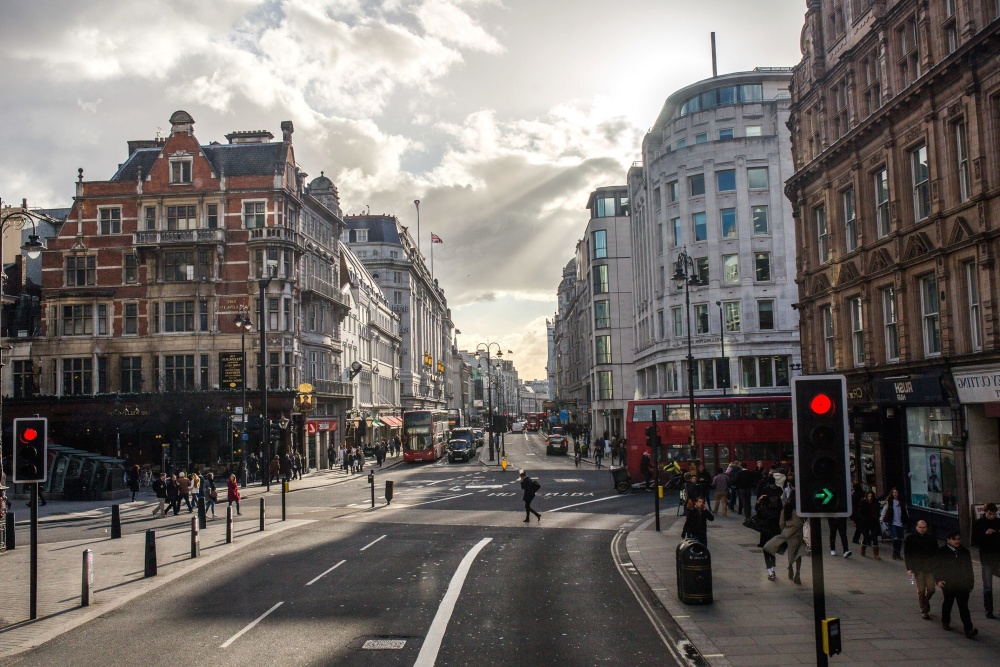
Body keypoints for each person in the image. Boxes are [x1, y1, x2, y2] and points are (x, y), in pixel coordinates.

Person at [934, 530, 978, 638]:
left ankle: (968, 629)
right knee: (948, 603)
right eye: (954, 539)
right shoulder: (942, 551)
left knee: (963, 606)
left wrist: (971, 584)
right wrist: (938, 580)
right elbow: (936, 567)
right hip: (948, 583)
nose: (957, 541)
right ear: (948, 540)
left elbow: (969, 569)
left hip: (962, 584)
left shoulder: (964, 552)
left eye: (958, 539)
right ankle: (945, 621)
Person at [905, 519, 939, 620]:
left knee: (931, 589)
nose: (922, 529)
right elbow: (908, 554)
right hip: (917, 568)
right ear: (916, 527)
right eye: (920, 527)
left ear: (927, 528)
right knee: (921, 590)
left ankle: (925, 602)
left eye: (923, 527)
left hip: (930, 568)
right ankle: (925, 610)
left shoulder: (932, 538)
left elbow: (936, 553)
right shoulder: (910, 538)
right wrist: (909, 569)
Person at [972, 502, 1000, 619]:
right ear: (985, 512)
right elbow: (975, 540)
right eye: (990, 514)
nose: (992, 516)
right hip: (987, 558)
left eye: (994, 514)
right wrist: (985, 533)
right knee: (987, 586)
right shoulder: (979, 523)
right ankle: (989, 609)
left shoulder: (998, 522)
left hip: (998, 557)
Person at [756, 478, 783, 581]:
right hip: (775, 532)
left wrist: (758, 501)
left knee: (766, 551)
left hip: (765, 533)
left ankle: (770, 572)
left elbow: (757, 510)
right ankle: (773, 569)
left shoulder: (764, 511)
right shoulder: (778, 512)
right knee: (772, 551)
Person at [881, 487, 909, 560]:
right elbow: (884, 510)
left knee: (900, 539)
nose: (895, 494)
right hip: (893, 522)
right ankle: (894, 552)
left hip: (900, 522)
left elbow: (905, 511)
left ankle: (898, 553)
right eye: (893, 492)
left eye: (896, 492)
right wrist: (881, 519)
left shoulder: (901, 502)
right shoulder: (890, 501)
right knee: (895, 538)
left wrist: (906, 518)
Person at [857, 490, 882, 559]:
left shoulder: (875, 503)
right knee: (866, 537)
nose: (870, 498)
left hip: (873, 523)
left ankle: (876, 554)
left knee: (875, 538)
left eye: (871, 496)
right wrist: (862, 519)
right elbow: (860, 513)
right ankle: (863, 549)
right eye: (868, 496)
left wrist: (877, 517)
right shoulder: (863, 503)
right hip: (865, 523)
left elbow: (877, 512)